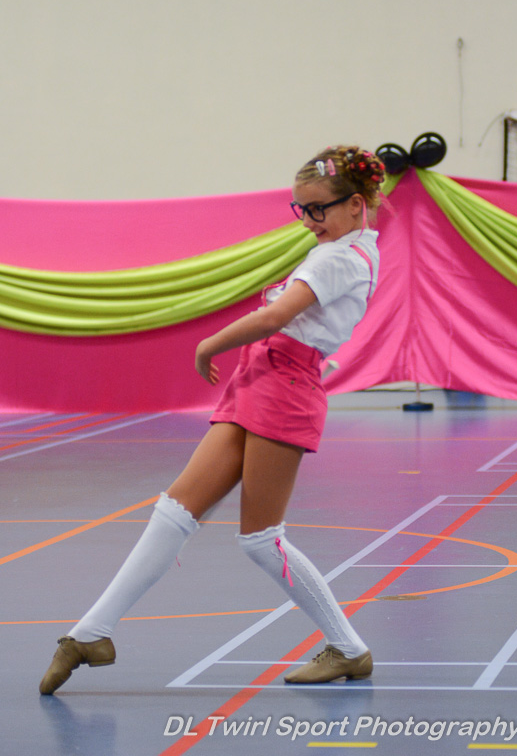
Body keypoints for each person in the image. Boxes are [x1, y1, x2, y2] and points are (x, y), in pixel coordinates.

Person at [39, 144, 385, 694]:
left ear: (357, 205)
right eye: (301, 209)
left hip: (285, 383)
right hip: (263, 374)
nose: (309, 220)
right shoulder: (345, 249)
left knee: (261, 540)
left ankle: (348, 648)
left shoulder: (340, 258)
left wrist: (208, 344)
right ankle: (90, 634)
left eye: (319, 208)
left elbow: (275, 316)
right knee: (175, 510)